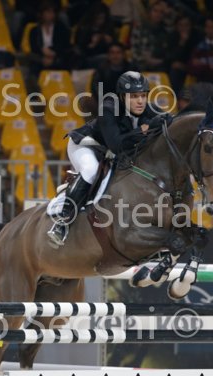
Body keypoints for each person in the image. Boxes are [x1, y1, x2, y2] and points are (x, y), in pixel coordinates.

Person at [48, 71, 163, 245]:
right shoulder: (109, 108)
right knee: (91, 170)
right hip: (86, 146)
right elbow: (116, 145)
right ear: (122, 97)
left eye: (143, 95)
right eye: (134, 96)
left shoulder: (148, 108)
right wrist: (143, 130)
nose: (140, 101)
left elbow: (172, 122)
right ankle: (62, 221)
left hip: (111, 152)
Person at [27, 2, 73, 75]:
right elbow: (34, 47)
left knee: (66, 58)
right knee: (32, 58)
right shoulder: (34, 30)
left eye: (53, 12)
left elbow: (64, 44)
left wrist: (52, 52)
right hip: (41, 57)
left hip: (57, 56)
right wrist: (43, 51)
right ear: (42, 14)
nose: (51, 15)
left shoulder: (61, 28)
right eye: (48, 12)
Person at [130, 0, 171, 71]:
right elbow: (134, 50)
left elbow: (169, 52)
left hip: (160, 65)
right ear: (149, 12)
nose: (158, 14)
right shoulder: (139, 27)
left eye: (161, 12)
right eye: (155, 11)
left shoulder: (166, 30)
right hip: (140, 64)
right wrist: (146, 60)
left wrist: (159, 61)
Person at [166, 14, 202, 92]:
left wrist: (185, 66)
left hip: (192, 67)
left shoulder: (197, 37)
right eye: (181, 25)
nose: (183, 28)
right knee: (174, 70)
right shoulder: (172, 36)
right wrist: (182, 42)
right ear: (176, 26)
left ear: (191, 26)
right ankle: (176, 96)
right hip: (178, 69)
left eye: (186, 25)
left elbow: (197, 58)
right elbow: (171, 58)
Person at [75, 1, 115, 68]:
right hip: (87, 58)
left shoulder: (108, 27)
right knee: (105, 58)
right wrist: (92, 44)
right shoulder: (84, 28)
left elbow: (115, 46)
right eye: (98, 18)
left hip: (106, 55)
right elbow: (80, 49)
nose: (100, 21)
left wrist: (110, 43)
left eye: (102, 18)